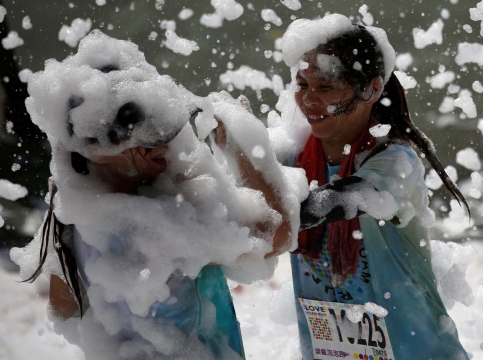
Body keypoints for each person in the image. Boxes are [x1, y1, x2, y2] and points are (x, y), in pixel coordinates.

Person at [11, 30, 295, 360]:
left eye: (165, 130)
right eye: (148, 137)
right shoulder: (153, 225)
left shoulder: (68, 219)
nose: (165, 145)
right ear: (100, 151)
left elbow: (64, 310)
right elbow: (276, 232)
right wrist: (242, 144)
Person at [281, 15, 471, 359]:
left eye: (325, 88)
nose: (308, 101)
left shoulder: (396, 161)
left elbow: (334, 201)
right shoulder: (294, 159)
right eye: (302, 85)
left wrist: (266, 203)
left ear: (371, 88)